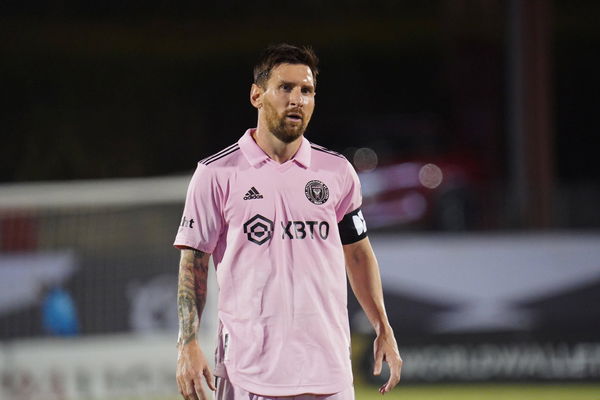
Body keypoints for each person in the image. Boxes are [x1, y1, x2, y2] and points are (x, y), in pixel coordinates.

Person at [174, 43, 402, 400]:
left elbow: (358, 254)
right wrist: (187, 343)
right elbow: (194, 263)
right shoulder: (216, 174)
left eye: (306, 90)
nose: (297, 99)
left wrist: (382, 327)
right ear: (257, 95)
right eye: (286, 88)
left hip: (329, 374)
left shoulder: (337, 172)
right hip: (247, 373)